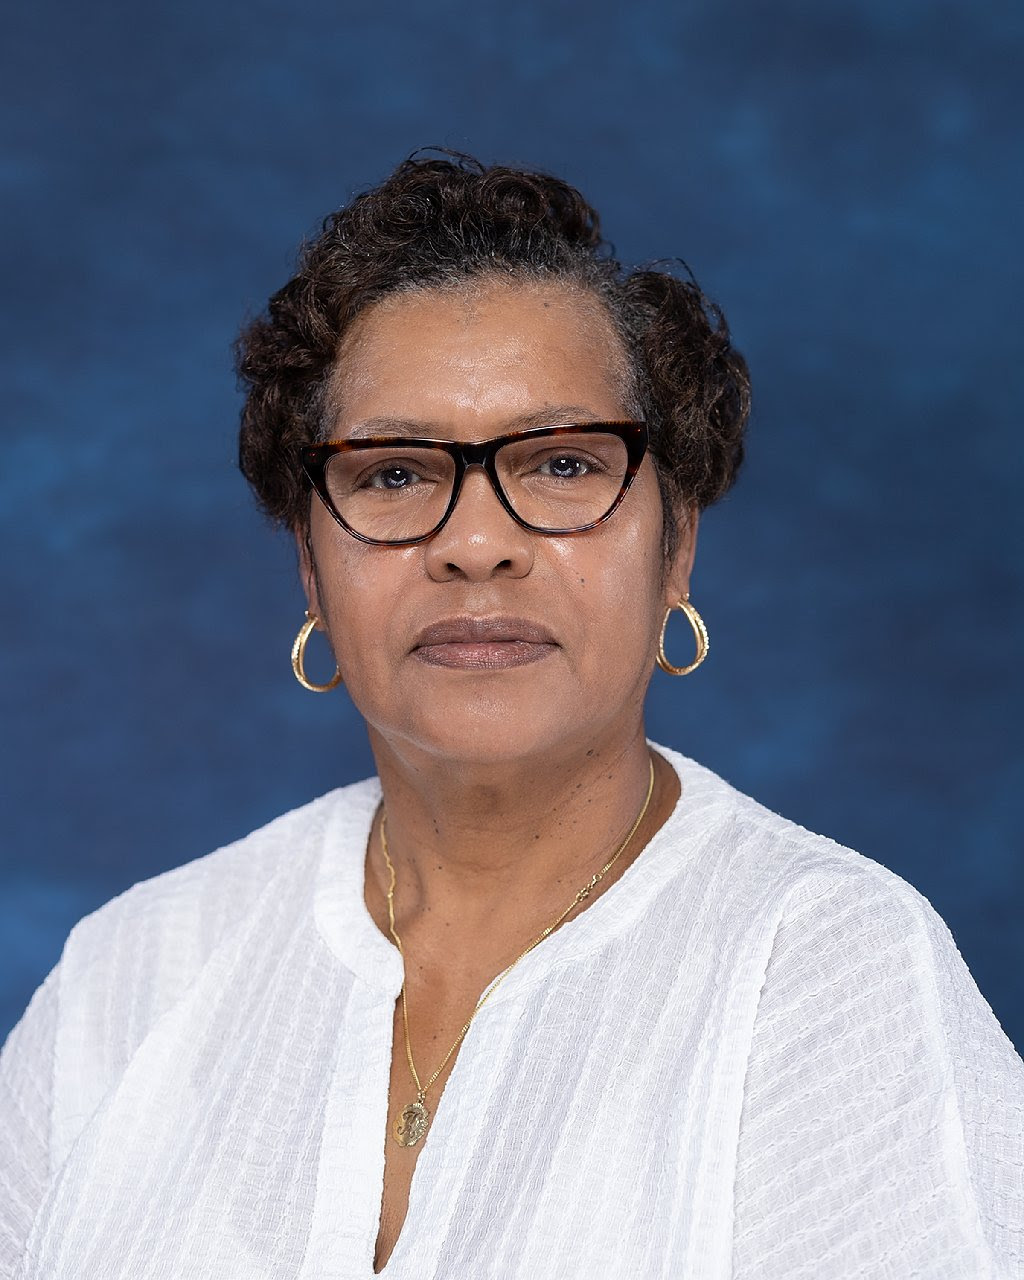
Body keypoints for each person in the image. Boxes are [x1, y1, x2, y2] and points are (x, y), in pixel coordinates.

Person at [1, 152, 1022, 1280]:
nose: (476, 543)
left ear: (676, 544)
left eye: (563, 464)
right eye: (394, 474)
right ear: (309, 563)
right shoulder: (129, 976)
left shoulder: (830, 971)